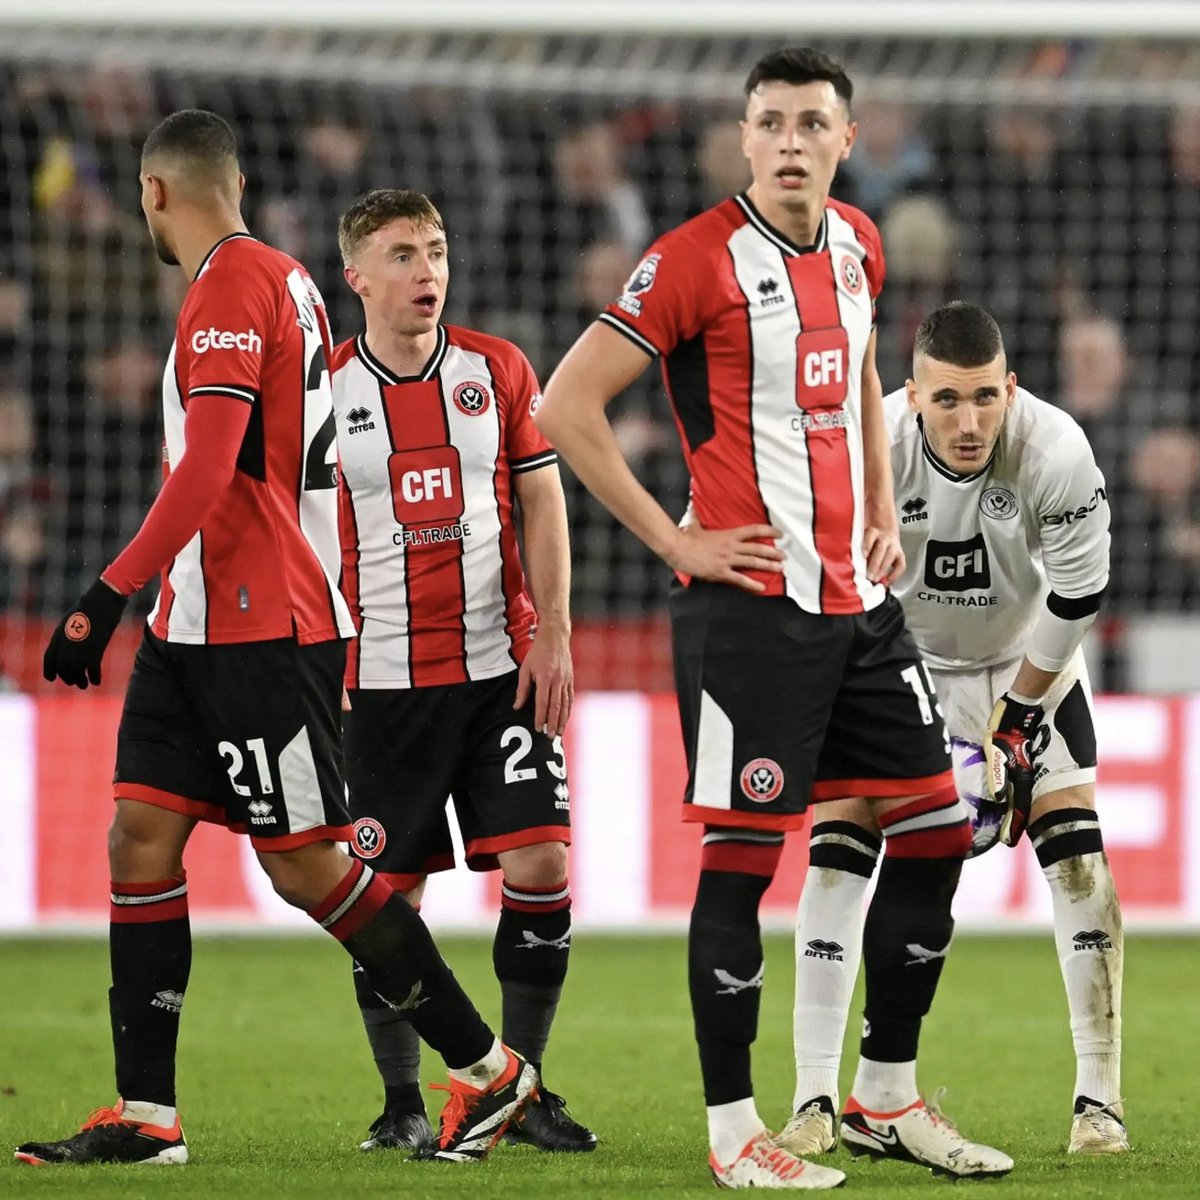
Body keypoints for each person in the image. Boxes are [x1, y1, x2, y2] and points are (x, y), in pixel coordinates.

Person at [16, 110, 535, 1168]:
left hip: (263, 622)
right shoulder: (285, 278)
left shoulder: (229, 287)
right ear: (238, 179)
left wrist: (103, 593)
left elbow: (209, 469)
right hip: (195, 624)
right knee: (139, 841)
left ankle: (490, 1074)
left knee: (307, 868)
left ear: (157, 195)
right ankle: (147, 1115)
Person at [535, 48, 1011, 1188]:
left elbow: (853, 378)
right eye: (771, 123)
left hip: (857, 604)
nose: (791, 142)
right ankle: (733, 1130)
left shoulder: (858, 243)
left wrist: (882, 506)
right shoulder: (692, 259)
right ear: (744, 141)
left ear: (847, 141)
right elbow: (564, 403)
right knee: (745, 864)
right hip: (749, 612)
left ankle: (886, 1096)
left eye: (812, 123)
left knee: (941, 830)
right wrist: (674, 540)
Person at [782, 301, 1127, 1158]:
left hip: (1026, 661)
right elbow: (823, 577)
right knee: (840, 841)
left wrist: (1014, 723)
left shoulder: (1054, 448)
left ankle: (1099, 1104)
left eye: (984, 398)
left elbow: (1079, 593)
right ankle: (816, 1098)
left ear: (1010, 388)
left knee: (1078, 855)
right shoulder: (871, 447)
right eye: (946, 401)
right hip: (900, 663)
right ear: (911, 395)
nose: (968, 423)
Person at [332, 188, 595, 1155]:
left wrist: (555, 628)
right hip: (380, 687)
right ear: (357, 276)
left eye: (436, 250)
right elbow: (300, 537)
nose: (426, 272)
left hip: (500, 672)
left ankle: (519, 1092)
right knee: (385, 900)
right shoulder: (323, 391)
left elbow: (542, 501)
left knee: (543, 864)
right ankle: (404, 1102)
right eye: (402, 255)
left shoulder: (498, 368)